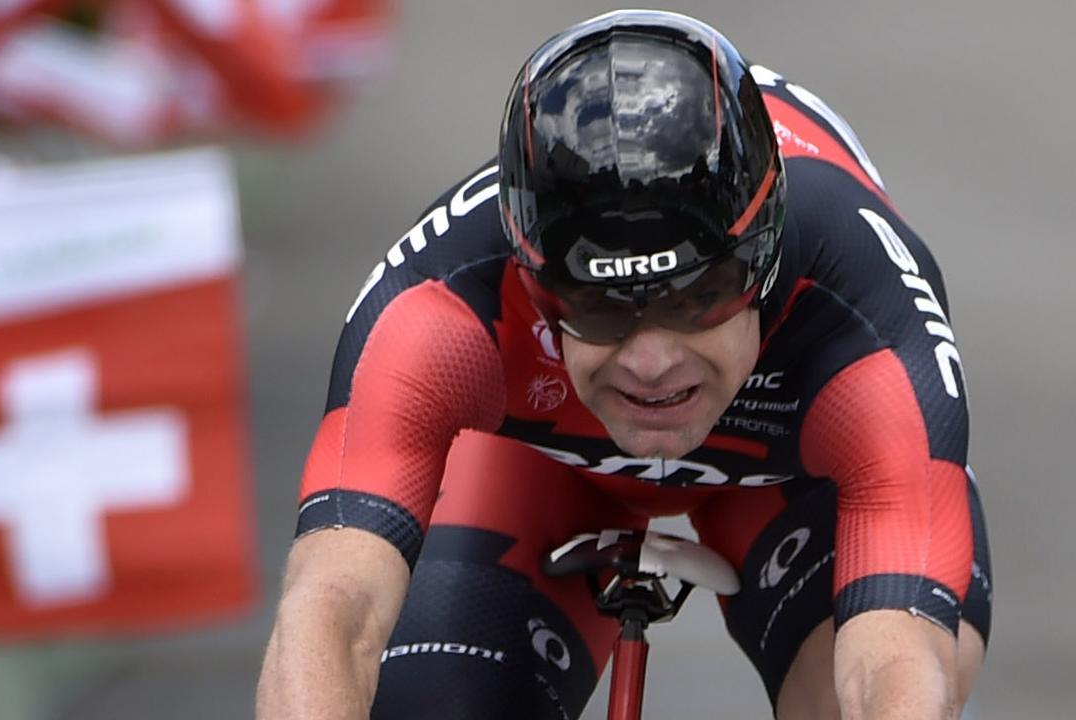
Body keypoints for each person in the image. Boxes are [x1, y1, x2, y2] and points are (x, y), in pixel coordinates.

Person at [256, 10, 991, 720]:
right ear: (531, 281)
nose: (653, 360)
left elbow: (894, 661)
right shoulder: (440, 305)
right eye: (599, 307)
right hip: (541, 464)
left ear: (763, 263)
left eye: (699, 297)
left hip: (799, 472)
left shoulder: (858, 307)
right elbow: (334, 610)